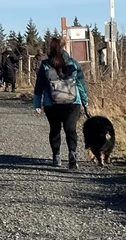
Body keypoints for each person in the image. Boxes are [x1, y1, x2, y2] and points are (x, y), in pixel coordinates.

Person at [34, 40, 89, 168]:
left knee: (55, 129)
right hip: (73, 102)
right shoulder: (73, 63)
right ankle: (72, 155)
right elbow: (80, 83)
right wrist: (85, 100)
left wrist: (37, 104)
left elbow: (39, 86)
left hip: (51, 103)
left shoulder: (45, 65)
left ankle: (56, 157)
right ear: (64, 48)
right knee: (71, 129)